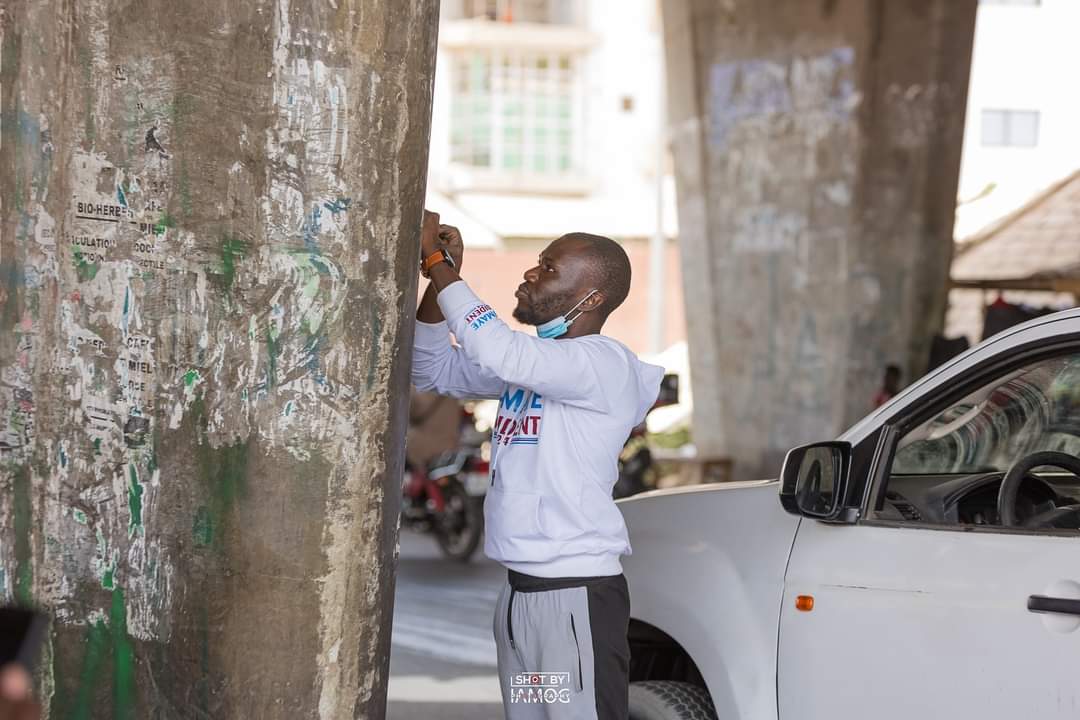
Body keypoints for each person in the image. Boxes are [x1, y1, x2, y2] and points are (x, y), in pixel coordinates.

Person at [411, 211, 662, 719]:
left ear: (590, 298)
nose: (531, 274)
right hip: (521, 599)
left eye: (549, 268)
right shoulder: (537, 368)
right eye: (538, 263)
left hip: (573, 602)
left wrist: (438, 263)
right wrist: (439, 284)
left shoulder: (603, 363)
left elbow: (502, 353)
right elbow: (429, 367)